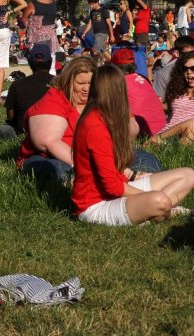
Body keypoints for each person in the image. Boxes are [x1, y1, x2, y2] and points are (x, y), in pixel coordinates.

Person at [72, 65, 194, 226]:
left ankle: (152, 210)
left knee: (188, 174)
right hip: (95, 204)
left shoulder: (105, 116)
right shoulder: (95, 126)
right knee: (160, 200)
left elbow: (111, 169)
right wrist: (146, 194)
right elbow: (112, 187)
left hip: (118, 188)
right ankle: (161, 210)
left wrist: (133, 177)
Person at [16, 57, 95, 182]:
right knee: (58, 170)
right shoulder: (55, 99)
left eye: (90, 83)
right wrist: (89, 166)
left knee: (135, 156)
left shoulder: (96, 101)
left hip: (90, 156)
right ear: (68, 81)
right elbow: (47, 141)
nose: (86, 88)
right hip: (49, 157)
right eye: (80, 84)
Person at [0, 43, 53, 138]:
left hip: (24, 129)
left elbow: (10, 115)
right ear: (50, 62)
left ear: (30, 63)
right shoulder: (62, 84)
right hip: (55, 129)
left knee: (1, 129)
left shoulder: (17, 85)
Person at [110, 48, 166, 138]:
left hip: (144, 133)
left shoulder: (118, 83)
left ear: (115, 66)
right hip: (162, 129)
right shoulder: (143, 78)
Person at [151, 51, 194, 144]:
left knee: (192, 125)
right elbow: (173, 112)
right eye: (185, 69)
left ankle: (158, 139)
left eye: (193, 68)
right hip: (170, 133)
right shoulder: (178, 88)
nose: (189, 73)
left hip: (188, 133)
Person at [21, 0, 58, 70]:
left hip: (37, 38)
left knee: (37, 63)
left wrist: (29, 25)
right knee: (50, 62)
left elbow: (24, 18)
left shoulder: (33, 4)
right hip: (51, 38)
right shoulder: (54, 4)